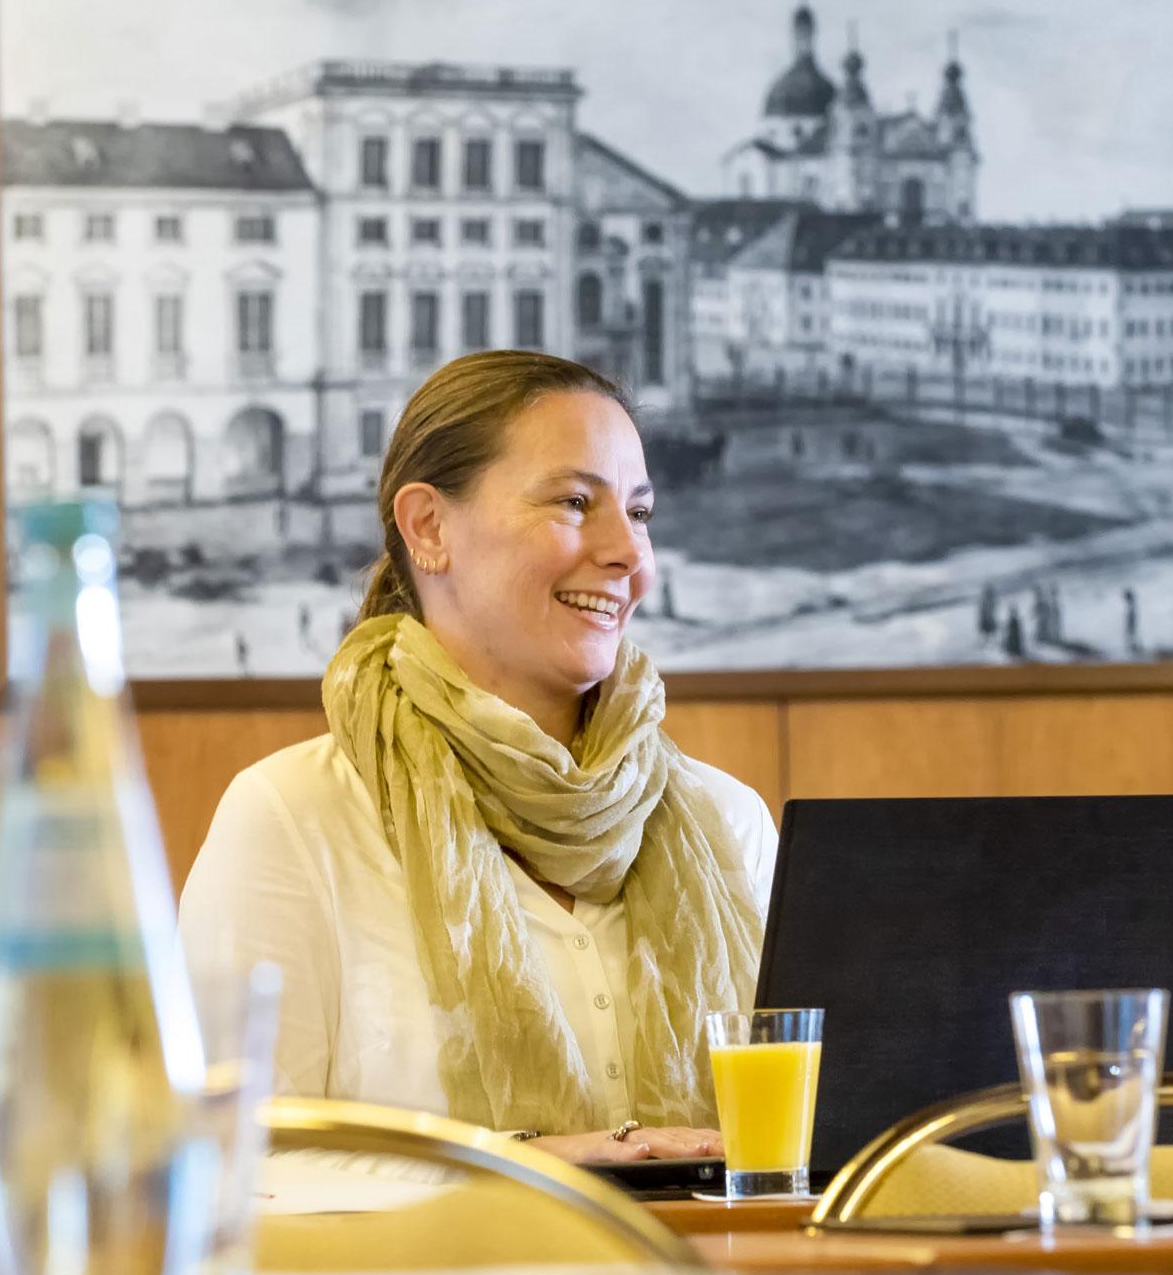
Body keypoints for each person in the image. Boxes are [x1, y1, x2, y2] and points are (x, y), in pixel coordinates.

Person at [179, 352, 771, 1170]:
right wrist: (529, 1172)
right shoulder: (289, 818)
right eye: (574, 502)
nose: (629, 555)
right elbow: (222, 1178)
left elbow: (825, 1158)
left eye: (640, 513)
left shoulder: (733, 825)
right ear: (428, 527)